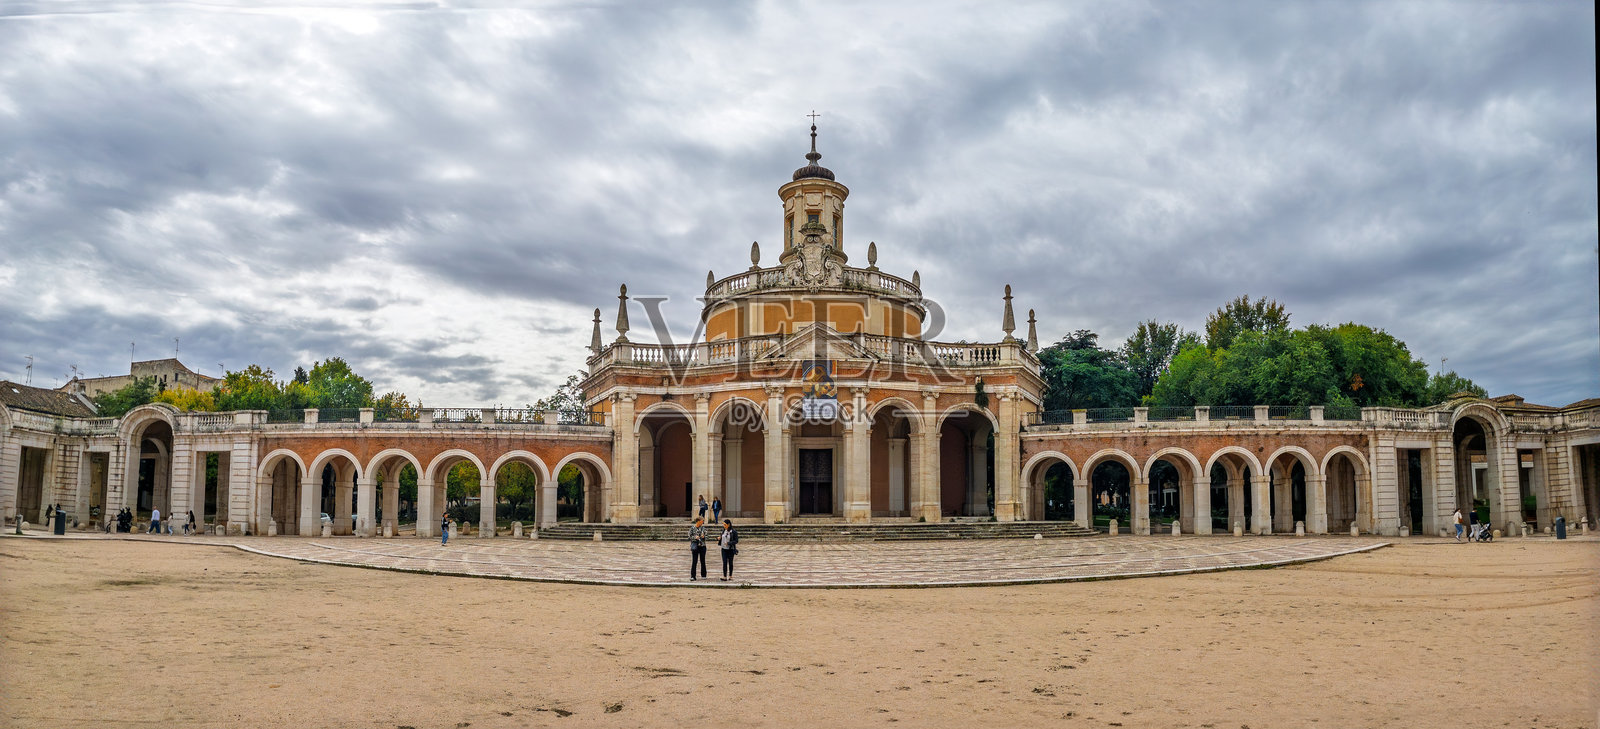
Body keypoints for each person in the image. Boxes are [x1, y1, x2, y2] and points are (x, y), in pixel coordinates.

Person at [688, 517, 708, 581]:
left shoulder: (703, 528)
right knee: (694, 561)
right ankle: (693, 576)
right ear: (698, 521)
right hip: (695, 546)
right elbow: (689, 536)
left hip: (702, 546)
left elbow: (707, 536)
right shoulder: (692, 528)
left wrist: (704, 536)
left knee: (703, 561)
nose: (703, 522)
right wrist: (694, 537)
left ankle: (704, 575)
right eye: (702, 521)